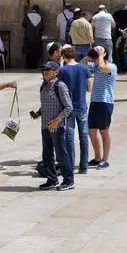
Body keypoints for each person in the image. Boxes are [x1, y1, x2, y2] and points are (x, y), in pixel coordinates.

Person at [30, 61, 75, 191]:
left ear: (56, 72)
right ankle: (52, 180)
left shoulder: (60, 86)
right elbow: (46, 105)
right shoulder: (43, 86)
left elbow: (69, 107)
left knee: (61, 155)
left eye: (48, 70)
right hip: (45, 126)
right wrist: (38, 113)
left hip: (57, 127)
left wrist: (57, 120)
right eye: (43, 70)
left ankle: (69, 180)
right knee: (47, 155)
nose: (45, 72)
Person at [82, 46, 116, 169]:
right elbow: (81, 64)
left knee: (104, 131)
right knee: (92, 131)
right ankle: (97, 157)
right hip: (95, 102)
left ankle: (105, 159)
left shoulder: (111, 67)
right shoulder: (96, 66)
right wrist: (90, 54)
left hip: (105, 102)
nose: (95, 59)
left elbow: (103, 67)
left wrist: (101, 54)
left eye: (96, 57)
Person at [59, 45, 93, 174]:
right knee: (83, 137)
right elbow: (89, 88)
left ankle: (71, 166)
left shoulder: (63, 71)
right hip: (82, 106)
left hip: (68, 108)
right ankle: (83, 166)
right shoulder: (84, 68)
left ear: (64, 56)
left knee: (69, 138)